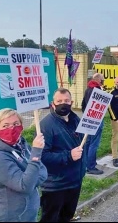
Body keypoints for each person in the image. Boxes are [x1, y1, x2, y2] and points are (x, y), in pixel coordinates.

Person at [0, 108, 47, 222]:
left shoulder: (21, 144)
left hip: (28, 215)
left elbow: (43, 172)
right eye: (5, 125)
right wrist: (36, 152)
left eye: (16, 124)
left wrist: (31, 179)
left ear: (21, 126)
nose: (11, 128)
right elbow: (25, 186)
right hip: (12, 218)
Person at [39, 88, 86, 222]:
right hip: (56, 185)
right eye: (59, 101)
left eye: (66, 101)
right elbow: (43, 156)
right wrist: (69, 155)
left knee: (67, 215)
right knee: (50, 218)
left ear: (71, 102)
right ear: (53, 104)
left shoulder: (76, 119)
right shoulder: (46, 125)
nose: (63, 104)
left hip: (75, 180)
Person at [81, 73, 105, 175]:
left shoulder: (87, 89)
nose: (103, 82)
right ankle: (91, 167)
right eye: (102, 80)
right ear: (98, 80)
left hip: (88, 119)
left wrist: (87, 115)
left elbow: (83, 104)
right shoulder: (98, 90)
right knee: (94, 144)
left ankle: (86, 164)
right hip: (97, 120)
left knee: (87, 142)